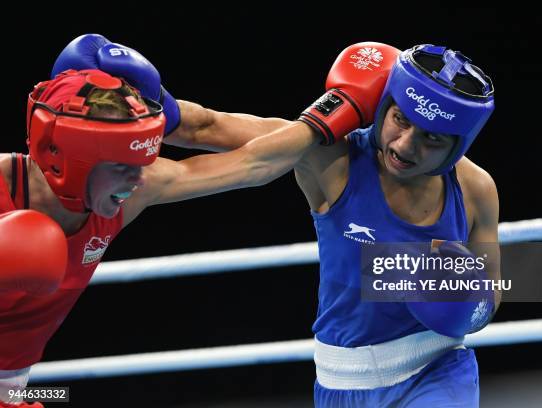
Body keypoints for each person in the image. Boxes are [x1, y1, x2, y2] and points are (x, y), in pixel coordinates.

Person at [0, 35, 399, 407]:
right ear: (68, 159)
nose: (140, 178)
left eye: (142, 160)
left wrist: (337, 111)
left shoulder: (135, 189)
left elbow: (251, 163)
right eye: (123, 167)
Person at [184, 43, 501, 407]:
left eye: (432, 137)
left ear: (456, 146)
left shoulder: (476, 189)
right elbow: (207, 127)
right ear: (383, 106)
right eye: (401, 119)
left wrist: (466, 306)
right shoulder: (332, 158)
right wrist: (147, 104)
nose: (406, 145)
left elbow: (492, 293)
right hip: (343, 379)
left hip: (439, 368)